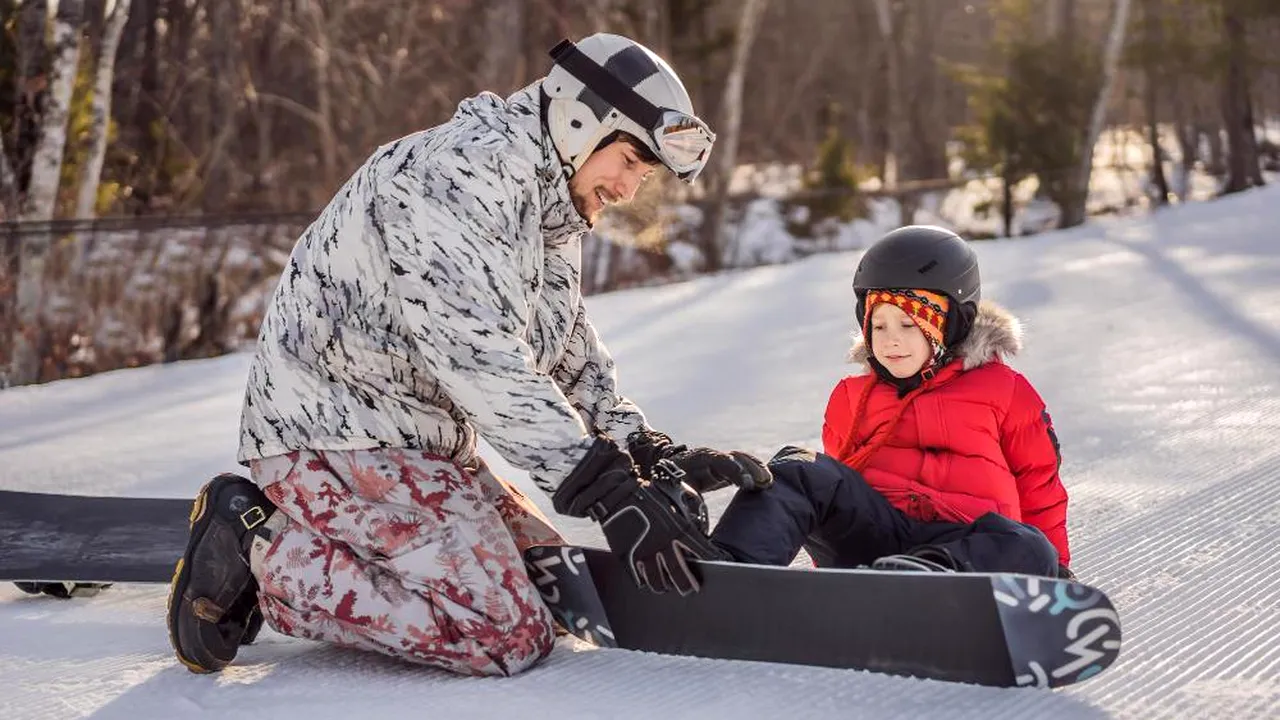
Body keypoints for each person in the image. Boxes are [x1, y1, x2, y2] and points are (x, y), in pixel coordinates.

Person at [166, 33, 770, 678]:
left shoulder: (549, 202)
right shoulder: (457, 178)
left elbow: (563, 349)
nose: (627, 189)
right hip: (335, 433)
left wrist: (645, 449)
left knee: (553, 588)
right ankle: (259, 546)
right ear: (579, 120)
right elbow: (479, 356)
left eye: (642, 175)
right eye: (627, 161)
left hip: (416, 438)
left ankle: (334, 543)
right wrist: (605, 489)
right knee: (501, 632)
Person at [708, 225, 1071, 577]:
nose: (890, 341)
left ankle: (928, 581)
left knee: (1032, 547)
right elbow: (833, 494)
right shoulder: (852, 397)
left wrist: (1059, 571)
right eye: (878, 327)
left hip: (966, 552)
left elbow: (1040, 487)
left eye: (909, 325)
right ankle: (730, 571)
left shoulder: (1004, 390)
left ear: (953, 322)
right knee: (800, 468)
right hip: (876, 540)